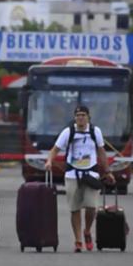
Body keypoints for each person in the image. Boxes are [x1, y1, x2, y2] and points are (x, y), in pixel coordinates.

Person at [44, 105, 114, 252]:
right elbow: (54, 150)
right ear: (75, 117)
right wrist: (49, 161)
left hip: (91, 174)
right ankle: (78, 240)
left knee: (91, 207)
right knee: (74, 209)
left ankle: (87, 231)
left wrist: (107, 171)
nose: (80, 118)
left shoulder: (95, 132)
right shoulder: (68, 132)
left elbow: (101, 152)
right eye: (78, 115)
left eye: (83, 115)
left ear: (88, 117)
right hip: (72, 175)